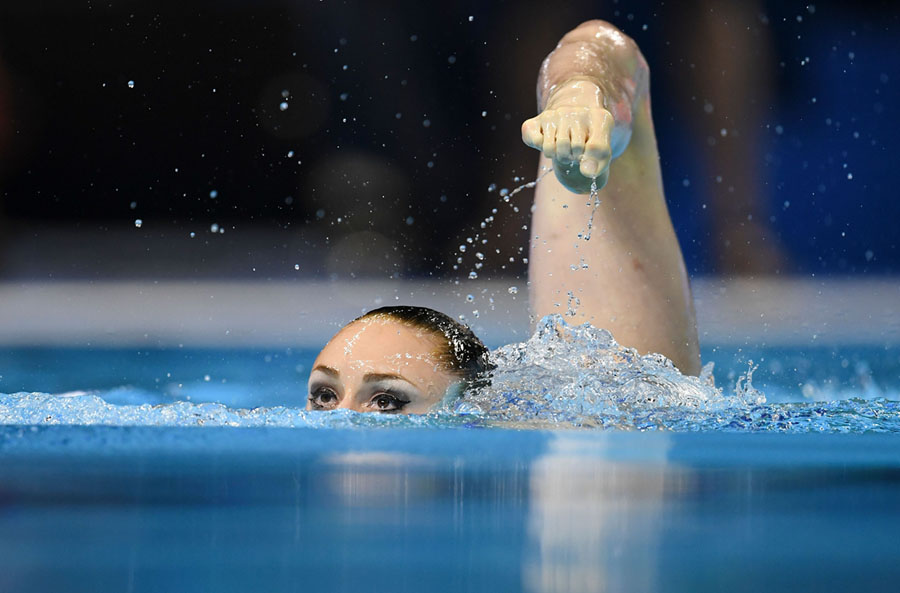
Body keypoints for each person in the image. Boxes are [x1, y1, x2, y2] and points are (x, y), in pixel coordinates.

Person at [308, 19, 701, 415]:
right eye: (324, 395)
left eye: (386, 400)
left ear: (476, 407)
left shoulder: (610, 419)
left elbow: (604, 46)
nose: (342, 418)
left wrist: (578, 90)